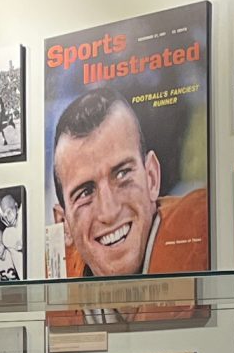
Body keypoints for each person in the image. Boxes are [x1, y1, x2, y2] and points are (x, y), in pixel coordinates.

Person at [50, 86, 207, 278]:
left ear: (152, 177)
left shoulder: (204, 234)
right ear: (63, 224)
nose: (109, 212)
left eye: (122, 174)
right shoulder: (48, 279)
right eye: (85, 193)